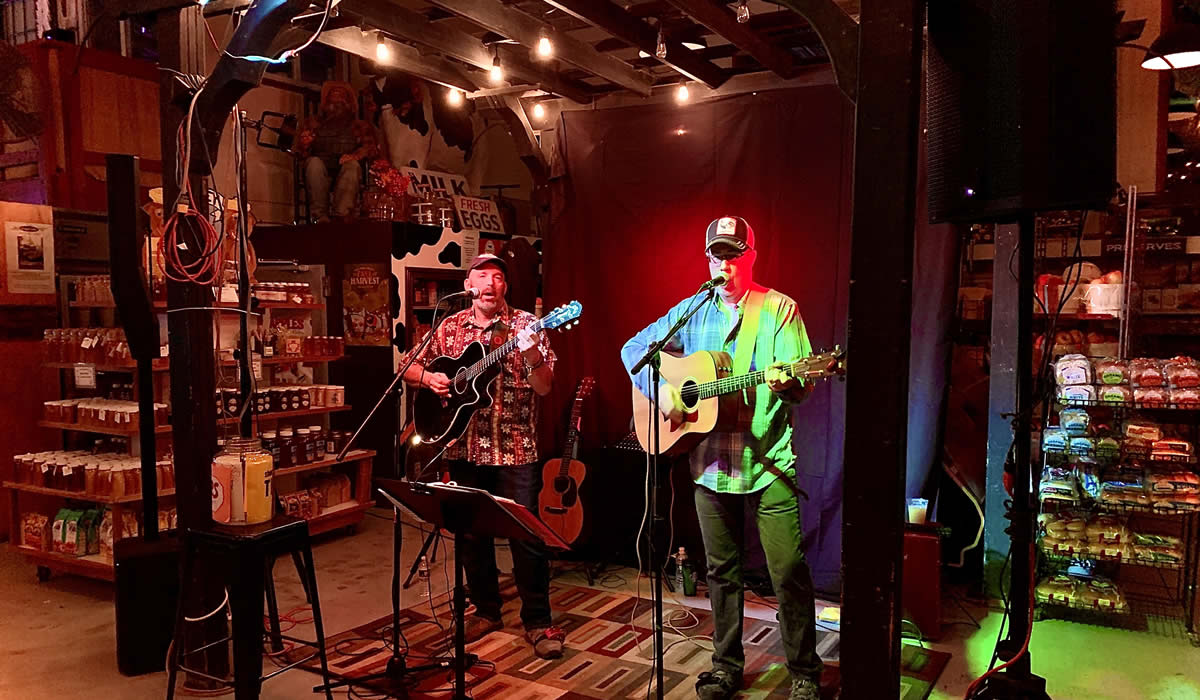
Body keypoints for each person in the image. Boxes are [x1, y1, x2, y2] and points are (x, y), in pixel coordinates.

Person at [620, 217, 823, 700]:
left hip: (768, 462)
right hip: (709, 463)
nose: (724, 265)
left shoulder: (778, 310)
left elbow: (803, 385)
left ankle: (804, 672)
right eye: (717, 256)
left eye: (733, 255)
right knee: (720, 571)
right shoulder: (692, 309)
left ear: (751, 257)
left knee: (788, 569)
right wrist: (665, 394)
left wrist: (789, 380)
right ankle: (726, 666)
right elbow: (633, 349)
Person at [399, 253, 565, 659]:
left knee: (525, 537)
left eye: (497, 277)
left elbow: (544, 387)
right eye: (481, 277)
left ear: (505, 287)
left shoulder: (527, 325)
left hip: (514, 449)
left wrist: (530, 355)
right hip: (462, 445)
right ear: (469, 285)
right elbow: (407, 365)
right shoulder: (448, 326)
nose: (489, 284)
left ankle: (539, 622)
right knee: (471, 533)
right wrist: (431, 378)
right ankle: (487, 609)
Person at [296, 81, 377, 222]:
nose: (336, 97)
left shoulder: (359, 125)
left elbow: (370, 148)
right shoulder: (313, 123)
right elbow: (300, 152)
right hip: (321, 169)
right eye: (333, 94)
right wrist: (305, 144)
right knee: (313, 164)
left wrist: (355, 155)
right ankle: (320, 218)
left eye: (341, 94)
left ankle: (341, 216)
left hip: (345, 168)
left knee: (352, 167)